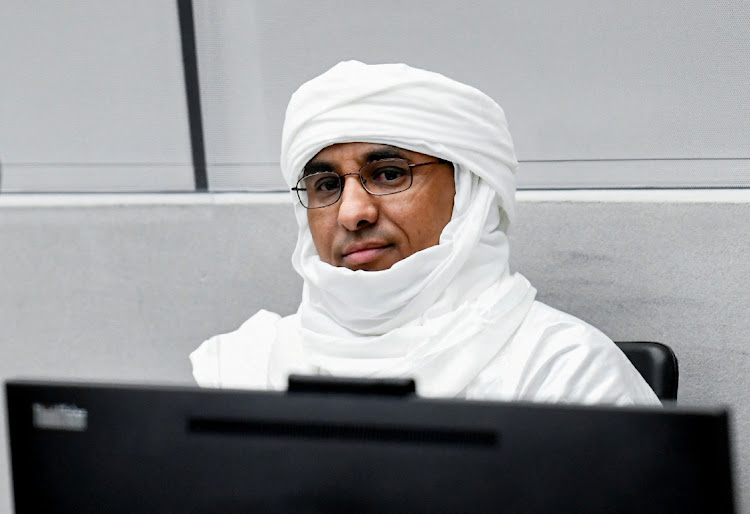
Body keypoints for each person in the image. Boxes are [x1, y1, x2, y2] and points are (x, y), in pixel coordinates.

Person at [190, 61, 660, 406]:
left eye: (390, 174)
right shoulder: (243, 371)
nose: (353, 212)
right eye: (327, 185)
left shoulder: (562, 373)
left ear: (470, 195)